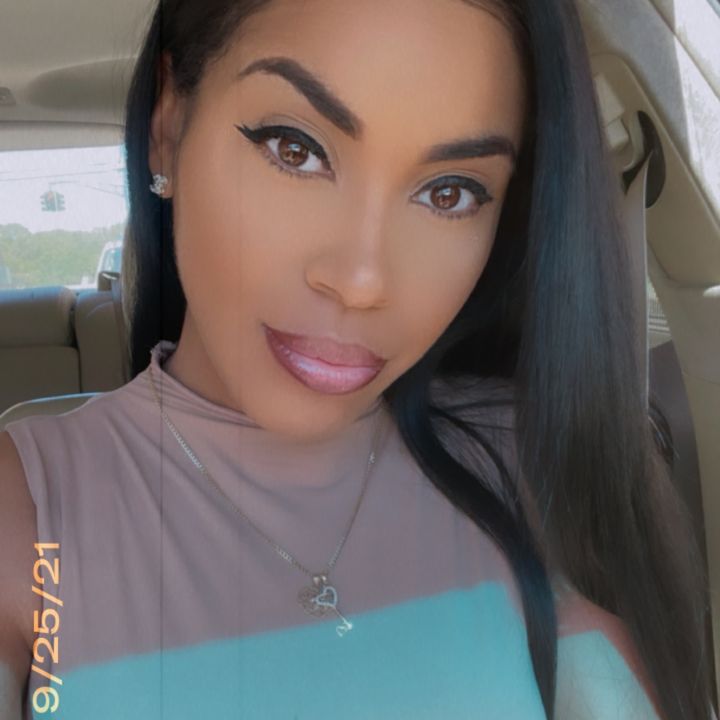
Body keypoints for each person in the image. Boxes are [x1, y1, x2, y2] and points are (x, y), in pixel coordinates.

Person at [0, 0, 714, 718]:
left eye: (450, 192)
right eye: (294, 149)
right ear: (168, 125)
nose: (363, 281)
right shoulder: (28, 517)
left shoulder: (532, 460)